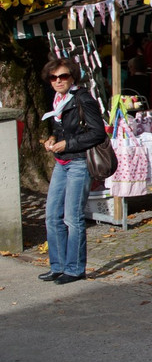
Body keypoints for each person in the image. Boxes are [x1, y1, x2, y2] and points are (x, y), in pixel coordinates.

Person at [40, 58, 107, 284]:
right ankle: (58, 266)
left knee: (72, 217)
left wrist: (67, 144)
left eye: (63, 76)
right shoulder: (58, 99)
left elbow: (97, 133)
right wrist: (52, 139)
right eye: (53, 77)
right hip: (61, 162)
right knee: (52, 216)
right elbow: (60, 128)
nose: (58, 81)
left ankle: (75, 268)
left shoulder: (83, 98)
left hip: (78, 162)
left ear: (72, 77)